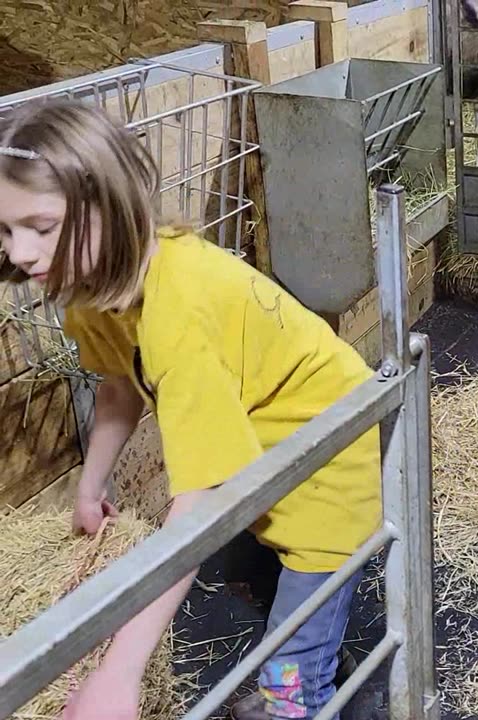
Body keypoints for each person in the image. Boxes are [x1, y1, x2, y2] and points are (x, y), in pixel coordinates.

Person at [0, 98, 382, 720]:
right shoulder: (90, 291)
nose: (19, 253)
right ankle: (308, 665)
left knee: (296, 646)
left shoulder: (180, 311)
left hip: (324, 464)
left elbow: (201, 500)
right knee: (254, 578)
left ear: (111, 208)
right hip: (256, 451)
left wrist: (120, 674)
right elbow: (121, 387)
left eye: (41, 228)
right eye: (6, 230)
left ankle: (296, 695)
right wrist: (90, 486)